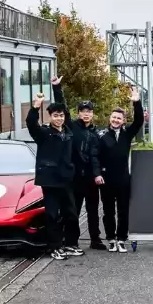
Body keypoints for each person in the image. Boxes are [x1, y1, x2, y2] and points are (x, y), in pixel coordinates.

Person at [52, 79, 105, 251]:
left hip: (91, 178)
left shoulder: (97, 132)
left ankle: (95, 239)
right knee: (72, 211)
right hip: (75, 178)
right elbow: (63, 108)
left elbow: (99, 156)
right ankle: (71, 241)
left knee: (93, 211)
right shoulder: (72, 126)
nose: (86, 114)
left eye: (89, 111)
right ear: (79, 113)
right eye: (83, 111)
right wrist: (57, 87)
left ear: (93, 114)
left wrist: (98, 173)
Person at [26, 87, 78, 261]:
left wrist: (57, 89)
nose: (59, 118)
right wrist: (35, 107)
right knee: (52, 215)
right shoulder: (43, 133)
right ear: (50, 117)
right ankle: (54, 247)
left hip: (66, 179)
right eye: (56, 115)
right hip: (50, 181)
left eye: (61, 115)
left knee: (71, 214)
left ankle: (70, 244)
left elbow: (65, 109)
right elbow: (31, 123)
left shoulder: (68, 131)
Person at [97, 86, 144, 253]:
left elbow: (139, 121)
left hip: (123, 179)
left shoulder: (127, 134)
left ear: (123, 121)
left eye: (119, 118)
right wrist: (97, 174)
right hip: (106, 180)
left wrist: (136, 102)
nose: (116, 120)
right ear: (110, 118)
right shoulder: (101, 135)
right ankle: (111, 239)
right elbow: (95, 156)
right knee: (108, 212)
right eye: (114, 117)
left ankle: (122, 239)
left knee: (123, 211)